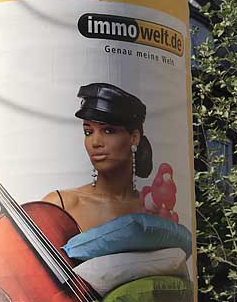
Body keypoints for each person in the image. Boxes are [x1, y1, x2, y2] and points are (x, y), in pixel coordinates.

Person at [42, 82, 153, 232]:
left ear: (134, 138)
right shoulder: (61, 205)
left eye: (108, 131)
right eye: (88, 132)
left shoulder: (152, 207)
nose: (95, 142)